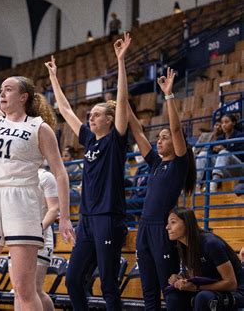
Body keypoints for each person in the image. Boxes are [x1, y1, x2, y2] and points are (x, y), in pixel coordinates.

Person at [0, 29, 74, 310]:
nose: (2, 93)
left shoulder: (39, 128)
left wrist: (66, 217)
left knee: (23, 288)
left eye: (9, 89)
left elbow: (60, 173)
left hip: (22, 198)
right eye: (1, 89)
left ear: (24, 97)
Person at [45, 34, 131, 311]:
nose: (90, 118)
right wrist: (55, 78)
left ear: (109, 119)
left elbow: (122, 100)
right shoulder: (90, 140)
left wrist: (120, 62)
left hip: (108, 218)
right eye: (90, 115)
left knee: (107, 284)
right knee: (72, 281)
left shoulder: (116, 140)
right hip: (87, 221)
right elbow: (66, 109)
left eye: (96, 114)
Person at [127, 67, 197, 309]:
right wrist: (123, 100)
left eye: (164, 137)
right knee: (148, 292)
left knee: (169, 290)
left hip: (162, 230)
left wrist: (168, 95)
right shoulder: (156, 163)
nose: (160, 139)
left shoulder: (179, 163)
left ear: (178, 144)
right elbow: (136, 131)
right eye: (159, 136)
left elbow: (177, 129)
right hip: (144, 228)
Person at [166, 207, 244, 310]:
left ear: (187, 224)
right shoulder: (183, 246)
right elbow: (196, 276)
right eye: (168, 223)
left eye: (173, 222)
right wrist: (180, 279)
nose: (167, 227)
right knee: (173, 296)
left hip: (236, 291)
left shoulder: (210, 243)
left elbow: (231, 284)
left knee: (204, 297)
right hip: (209, 289)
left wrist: (197, 288)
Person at [9, 167, 59, 311]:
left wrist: (37, 229)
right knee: (17, 290)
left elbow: (54, 209)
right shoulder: (17, 175)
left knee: (34, 289)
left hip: (40, 236)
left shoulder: (46, 177)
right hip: (18, 236)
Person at [210, 114, 244, 192]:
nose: (223, 125)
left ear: (234, 123)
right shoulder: (220, 138)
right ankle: (197, 185)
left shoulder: (241, 136)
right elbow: (213, 156)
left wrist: (225, 149)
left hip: (239, 168)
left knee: (223, 153)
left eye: (226, 122)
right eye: (222, 123)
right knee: (203, 155)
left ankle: (214, 183)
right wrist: (213, 149)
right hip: (224, 171)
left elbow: (242, 156)